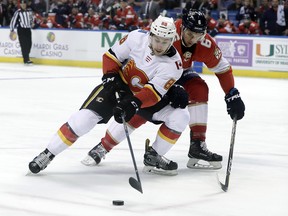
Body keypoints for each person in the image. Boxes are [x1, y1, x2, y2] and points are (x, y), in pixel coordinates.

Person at [82, 9, 245, 172]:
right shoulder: (166, 35)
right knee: (140, 109)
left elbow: (223, 68)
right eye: (189, 33)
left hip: (179, 75)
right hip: (151, 77)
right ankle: (104, 146)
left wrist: (231, 93)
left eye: (198, 35)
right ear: (182, 28)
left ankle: (197, 145)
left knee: (199, 88)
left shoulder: (205, 43)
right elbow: (141, 60)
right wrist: (171, 89)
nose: (193, 39)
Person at [28, 15, 190, 176]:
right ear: (151, 35)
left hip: (142, 98)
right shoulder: (136, 37)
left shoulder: (174, 65)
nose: (160, 46)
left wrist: (132, 104)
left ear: (172, 40)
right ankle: (48, 153)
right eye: (157, 40)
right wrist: (110, 76)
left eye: (165, 42)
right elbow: (111, 56)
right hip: (118, 86)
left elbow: (152, 93)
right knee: (83, 120)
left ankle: (153, 156)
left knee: (181, 115)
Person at [9, 0, 34, 65]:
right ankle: (26, 60)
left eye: (24, 4)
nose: (23, 5)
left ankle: (26, 57)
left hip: (28, 29)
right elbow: (13, 21)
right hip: (21, 30)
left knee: (29, 44)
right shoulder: (18, 12)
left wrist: (32, 24)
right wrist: (12, 30)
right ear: (20, 5)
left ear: (26, 4)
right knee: (24, 45)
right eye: (22, 4)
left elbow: (31, 19)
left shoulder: (29, 11)